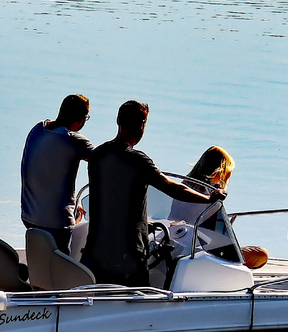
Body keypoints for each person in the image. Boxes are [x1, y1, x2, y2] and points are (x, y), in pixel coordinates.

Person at [84, 100, 215, 287]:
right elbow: (172, 188)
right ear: (142, 125)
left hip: (95, 252)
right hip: (127, 257)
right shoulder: (137, 160)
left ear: (118, 121)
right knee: (136, 307)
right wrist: (208, 198)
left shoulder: (99, 155)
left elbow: (114, 196)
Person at [169, 146, 269, 269]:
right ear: (220, 171)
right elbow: (216, 234)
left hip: (180, 241)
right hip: (203, 250)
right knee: (261, 254)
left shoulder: (183, 186)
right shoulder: (211, 193)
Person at [20, 94, 94, 255]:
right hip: (57, 224)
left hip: (29, 217)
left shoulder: (37, 130)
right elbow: (104, 162)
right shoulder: (74, 140)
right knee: (61, 269)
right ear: (80, 119)